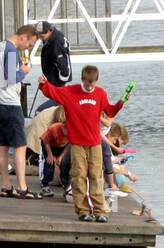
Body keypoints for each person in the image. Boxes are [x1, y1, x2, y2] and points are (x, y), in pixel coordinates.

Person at [37, 65, 125, 223]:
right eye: (87, 83)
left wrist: (122, 101)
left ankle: (100, 211)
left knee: (96, 176)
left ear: (97, 81)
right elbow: (54, 92)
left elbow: (110, 111)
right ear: (82, 79)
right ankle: (83, 210)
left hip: (95, 143)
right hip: (77, 143)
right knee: (78, 176)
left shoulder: (100, 94)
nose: (89, 87)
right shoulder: (71, 92)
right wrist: (44, 84)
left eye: (92, 84)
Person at [0, 25, 40, 198]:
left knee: (3, 145)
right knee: (20, 145)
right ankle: (22, 187)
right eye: (30, 44)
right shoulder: (11, 50)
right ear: (24, 37)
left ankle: (6, 185)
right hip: (9, 102)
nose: (29, 48)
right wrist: (23, 71)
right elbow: (11, 78)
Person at [35, 20, 72, 112]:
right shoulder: (52, 38)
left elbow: (64, 68)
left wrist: (58, 88)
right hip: (54, 83)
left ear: (49, 31)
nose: (40, 38)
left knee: (39, 111)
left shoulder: (56, 43)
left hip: (59, 86)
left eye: (41, 36)